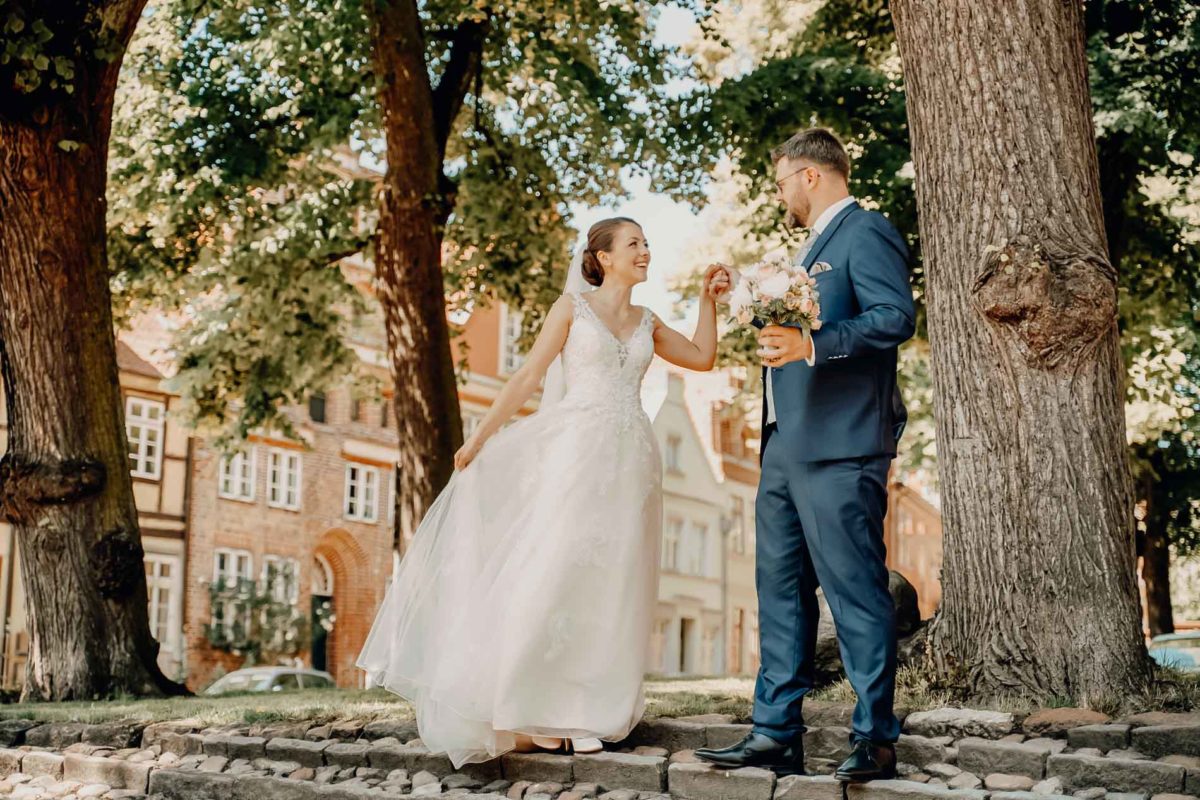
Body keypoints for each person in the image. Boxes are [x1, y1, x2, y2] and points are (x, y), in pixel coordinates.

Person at [357, 217, 730, 768]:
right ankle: (532, 706)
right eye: (635, 244)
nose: (646, 251)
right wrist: (479, 437)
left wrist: (707, 301)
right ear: (602, 258)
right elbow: (529, 376)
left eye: (647, 243)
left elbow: (702, 357)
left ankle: (586, 709)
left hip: (633, 465)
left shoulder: (648, 322)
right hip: (576, 454)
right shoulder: (571, 311)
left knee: (614, 582)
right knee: (556, 569)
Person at [695, 128, 916, 782]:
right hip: (785, 446)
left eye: (783, 180)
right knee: (781, 592)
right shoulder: (808, 251)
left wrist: (814, 346)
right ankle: (774, 733)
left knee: (853, 592)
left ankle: (874, 737)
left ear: (811, 175)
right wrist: (735, 291)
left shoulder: (865, 232)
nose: (780, 194)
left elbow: (893, 316)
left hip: (843, 444)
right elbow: (789, 322)